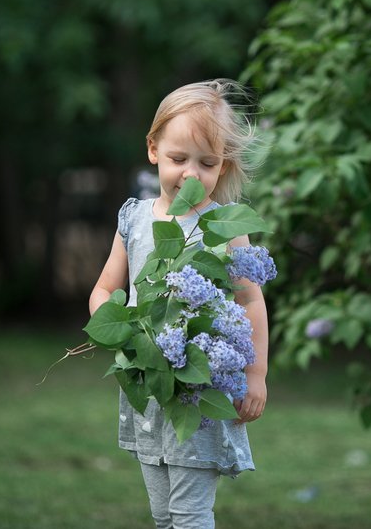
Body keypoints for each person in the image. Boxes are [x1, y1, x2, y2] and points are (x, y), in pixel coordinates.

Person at [88, 80, 269, 529]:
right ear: (153, 150)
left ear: (223, 164)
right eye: (178, 159)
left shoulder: (224, 226)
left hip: (200, 389)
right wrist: (120, 333)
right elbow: (103, 290)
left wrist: (256, 374)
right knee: (163, 516)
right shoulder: (135, 218)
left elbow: (250, 299)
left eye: (207, 163)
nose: (191, 174)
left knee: (190, 516)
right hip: (151, 390)